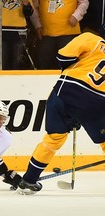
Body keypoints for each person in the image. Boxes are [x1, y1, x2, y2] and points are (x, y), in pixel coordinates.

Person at [18, 29, 105, 195]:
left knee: (53, 139)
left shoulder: (91, 39)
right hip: (95, 102)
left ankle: (29, 179)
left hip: (64, 92)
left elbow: (63, 56)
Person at [30, 0, 89, 69]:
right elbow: (34, 5)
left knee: (69, 64)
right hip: (46, 34)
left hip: (69, 33)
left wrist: (76, 16)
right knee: (45, 65)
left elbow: (84, 3)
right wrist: (37, 24)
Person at [0, 0, 34, 70]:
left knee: (17, 62)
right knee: (0, 63)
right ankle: (0, 80)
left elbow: (29, 13)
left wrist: (26, 4)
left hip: (19, 31)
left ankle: (16, 80)